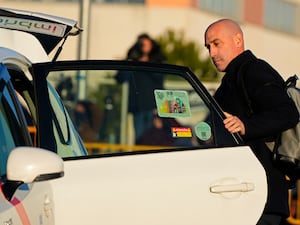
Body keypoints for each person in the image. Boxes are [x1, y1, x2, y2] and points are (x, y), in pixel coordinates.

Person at [204, 19, 299, 225]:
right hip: (240, 195)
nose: (211, 53)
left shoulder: (253, 70)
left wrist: (246, 126)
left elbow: (288, 112)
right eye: (208, 46)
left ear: (238, 39)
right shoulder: (231, 79)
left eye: (216, 44)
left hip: (260, 197)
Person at [116, 33, 166, 142]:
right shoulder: (133, 59)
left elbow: (160, 77)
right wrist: (130, 62)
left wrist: (147, 63)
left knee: (154, 137)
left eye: (145, 44)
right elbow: (120, 78)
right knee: (140, 138)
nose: (143, 47)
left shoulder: (157, 59)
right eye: (140, 45)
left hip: (153, 107)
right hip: (137, 106)